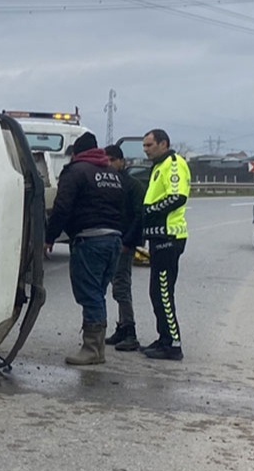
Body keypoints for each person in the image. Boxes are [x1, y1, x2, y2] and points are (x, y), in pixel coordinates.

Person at [45, 131, 127, 365]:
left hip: (89, 240)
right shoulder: (113, 174)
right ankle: (98, 348)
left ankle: (92, 348)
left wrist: (50, 237)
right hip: (114, 240)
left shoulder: (76, 171)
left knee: (90, 294)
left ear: (77, 153)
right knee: (98, 293)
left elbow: (62, 208)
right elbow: (123, 208)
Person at [127, 129, 190, 361]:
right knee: (156, 292)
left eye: (149, 145)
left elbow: (177, 196)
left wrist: (148, 212)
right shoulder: (158, 166)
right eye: (144, 145)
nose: (145, 149)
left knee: (163, 292)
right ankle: (163, 338)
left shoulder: (173, 163)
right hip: (158, 237)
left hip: (169, 237)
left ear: (163, 144)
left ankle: (173, 344)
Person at [103, 144, 145, 351]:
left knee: (121, 286)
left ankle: (130, 331)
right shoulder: (108, 182)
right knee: (115, 285)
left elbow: (139, 216)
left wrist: (128, 242)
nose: (109, 164)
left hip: (124, 243)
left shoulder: (132, 185)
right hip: (111, 239)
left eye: (112, 160)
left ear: (121, 161)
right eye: (106, 160)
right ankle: (122, 327)